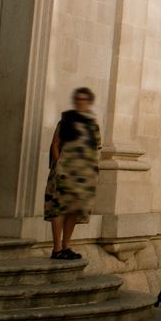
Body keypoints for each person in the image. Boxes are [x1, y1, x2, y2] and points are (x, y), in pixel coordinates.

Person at [44, 87, 99, 259]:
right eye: (78, 99)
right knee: (59, 208)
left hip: (83, 175)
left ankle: (66, 246)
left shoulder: (92, 124)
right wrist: (58, 165)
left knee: (73, 210)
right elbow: (55, 144)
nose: (80, 102)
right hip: (64, 172)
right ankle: (57, 248)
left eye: (83, 99)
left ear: (88, 102)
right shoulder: (66, 121)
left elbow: (95, 149)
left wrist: (93, 173)